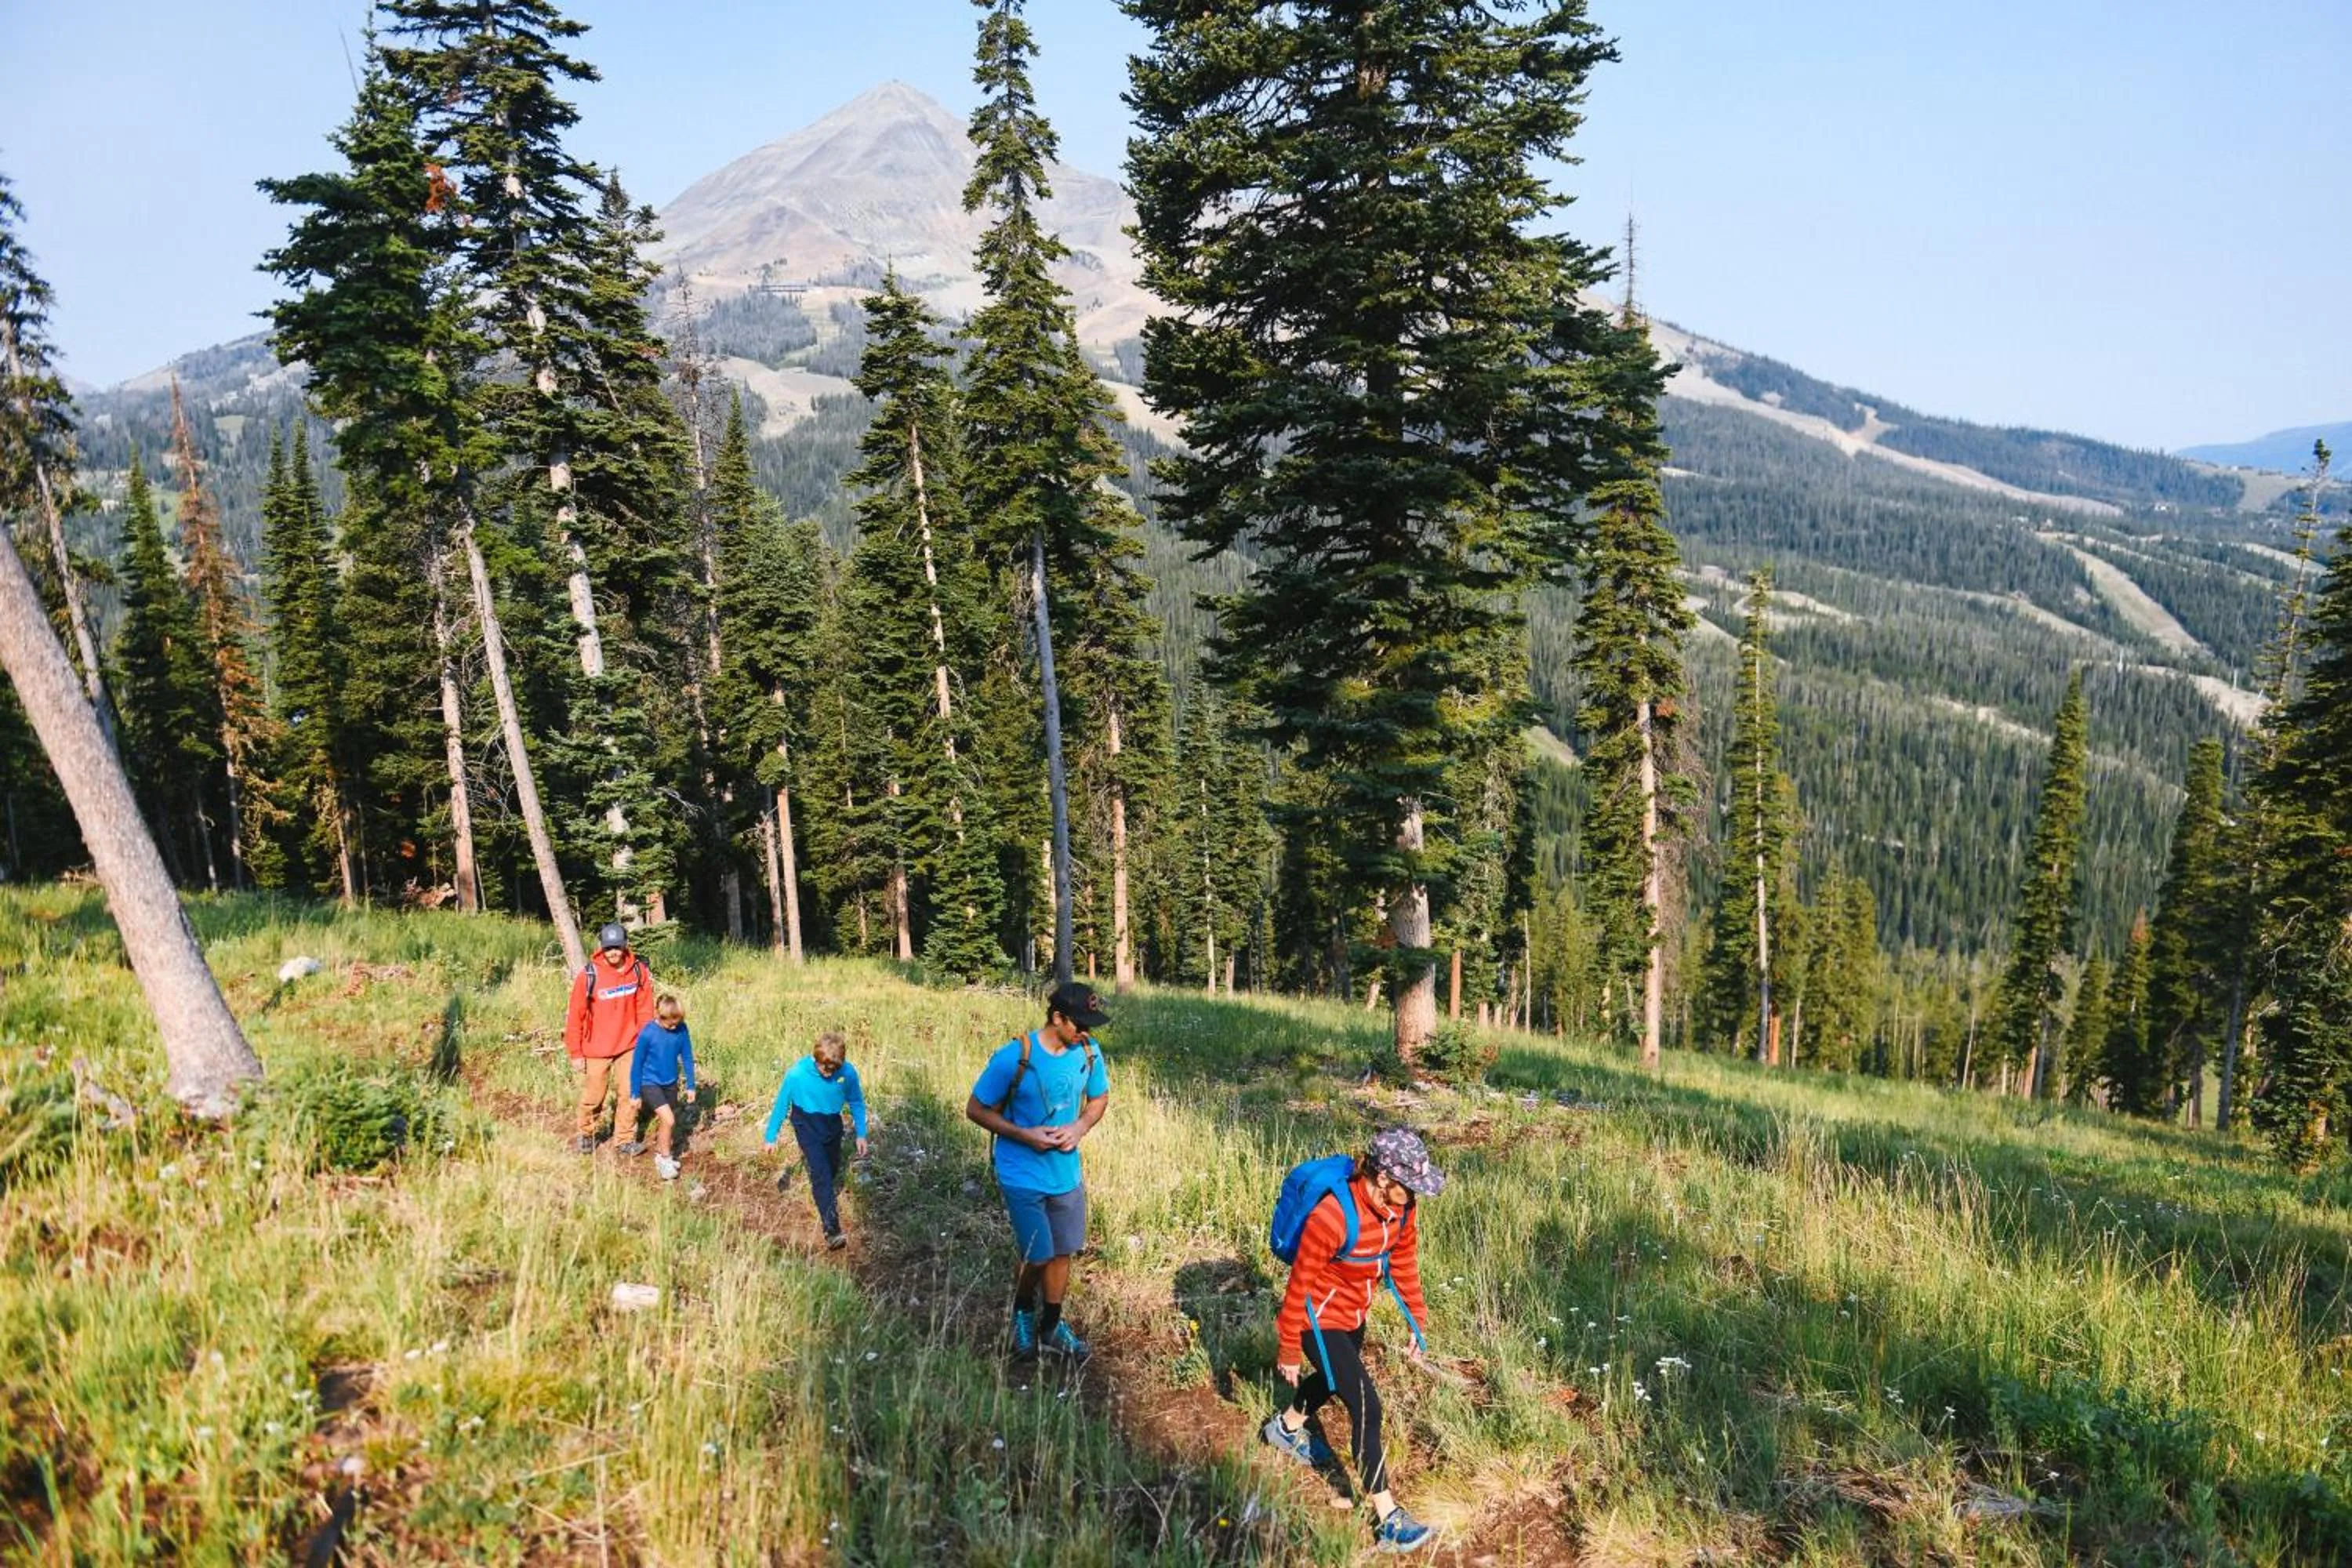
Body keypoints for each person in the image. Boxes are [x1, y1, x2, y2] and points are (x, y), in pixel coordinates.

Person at [1263, 1128, 1442, 1555]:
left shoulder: (1402, 1209)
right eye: (1410, 1185)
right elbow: (1299, 1285)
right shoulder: (1332, 1217)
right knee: (1366, 1406)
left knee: (1332, 1380)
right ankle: (1389, 1520)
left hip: (1354, 1316)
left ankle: (1285, 1428)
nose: (1416, 1195)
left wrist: (1416, 1318)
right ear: (1383, 1178)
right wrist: (1289, 1347)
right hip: (1317, 1321)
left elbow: (1404, 1261)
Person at [964, 982, 1111, 1357]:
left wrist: (1079, 1127)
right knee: (1038, 1254)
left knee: (1063, 1252)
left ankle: (1052, 1326)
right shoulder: (1014, 1057)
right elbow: (975, 1109)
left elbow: (1099, 1098)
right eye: (1080, 1024)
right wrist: (1024, 1135)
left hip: (1066, 1175)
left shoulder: (1089, 1052)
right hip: (1021, 1173)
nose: (1086, 1033)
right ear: (1057, 1018)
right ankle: (1023, 1312)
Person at [764, 1029, 869, 1248]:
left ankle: (825, 1194)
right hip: (806, 1123)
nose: (829, 1074)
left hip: (832, 1123)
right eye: (825, 1068)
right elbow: (782, 1104)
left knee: (831, 1168)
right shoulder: (797, 1074)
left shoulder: (848, 1073)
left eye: (834, 1070)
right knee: (821, 1173)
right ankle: (832, 1229)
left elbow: (856, 1102)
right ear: (816, 1058)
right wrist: (771, 1136)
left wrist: (861, 1134)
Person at [564, 923, 656, 1153]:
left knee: (630, 1092)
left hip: (630, 1045)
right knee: (594, 1096)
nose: (613, 952)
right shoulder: (589, 976)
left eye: (617, 947)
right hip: (596, 1048)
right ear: (602, 948)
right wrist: (576, 1053)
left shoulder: (638, 971)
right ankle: (587, 1133)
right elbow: (575, 1016)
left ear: (625, 945)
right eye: (608, 948)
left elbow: (645, 1010)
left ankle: (624, 1139)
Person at [627, 993, 698, 1181]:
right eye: (670, 1024)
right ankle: (666, 1159)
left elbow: (687, 1057)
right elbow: (637, 1064)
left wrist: (691, 1085)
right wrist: (635, 1093)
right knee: (669, 1119)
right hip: (649, 1082)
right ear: (658, 1015)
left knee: (666, 1122)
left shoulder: (682, 1030)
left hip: (670, 1083)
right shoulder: (648, 1033)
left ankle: (660, 1153)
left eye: (677, 1022)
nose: (674, 1027)